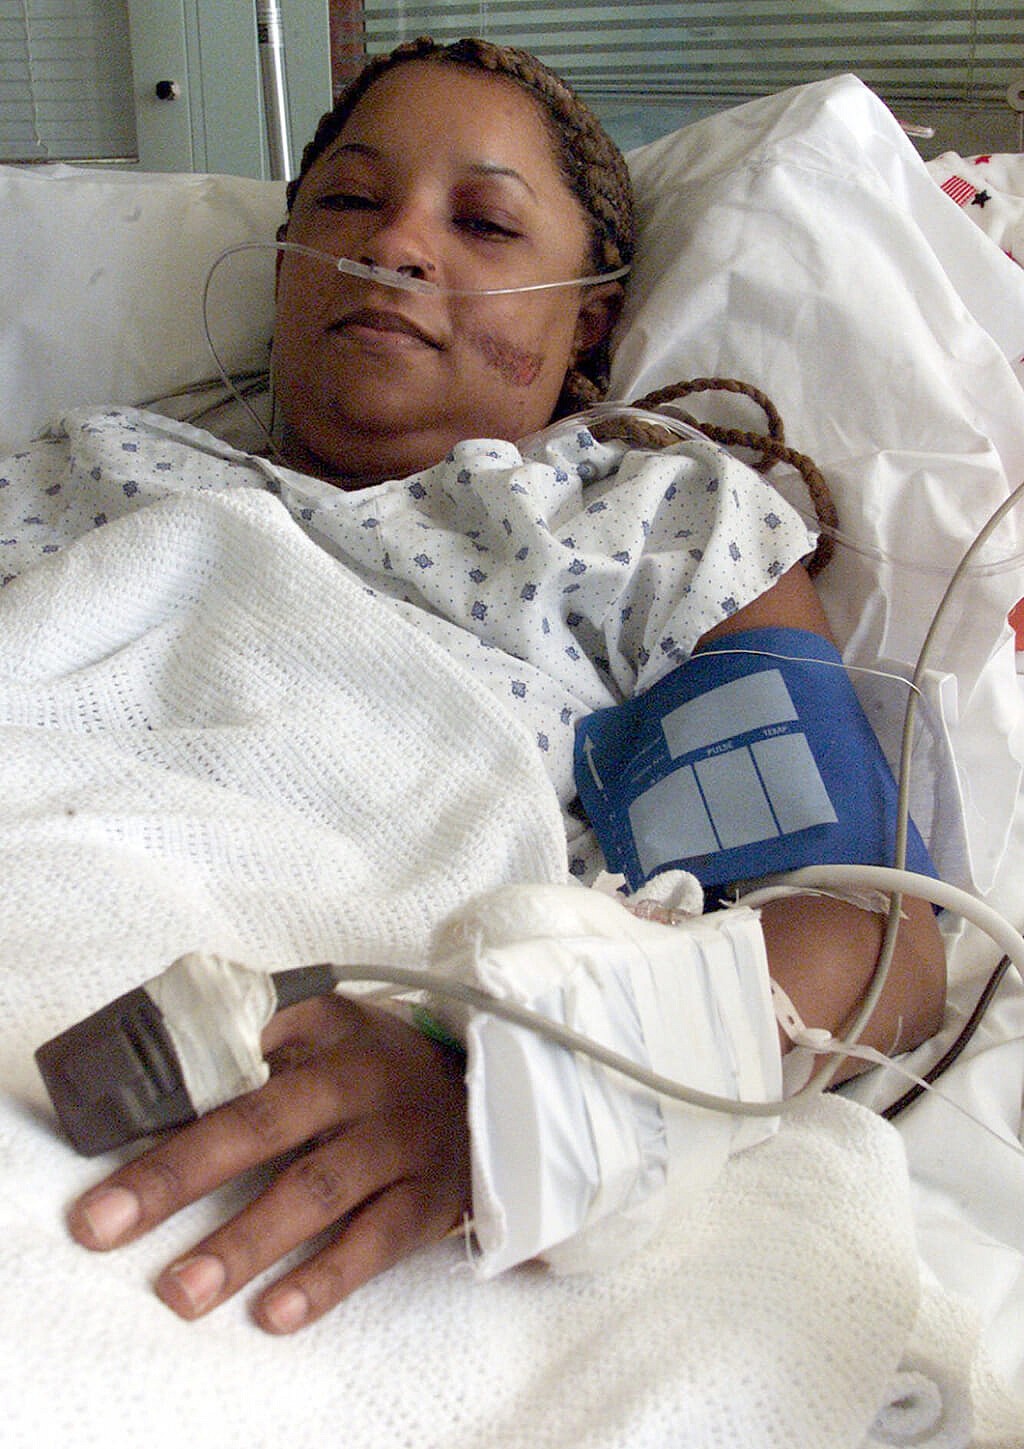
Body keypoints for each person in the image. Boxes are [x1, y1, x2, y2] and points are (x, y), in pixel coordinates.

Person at [63, 36, 946, 1336]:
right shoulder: (83, 472)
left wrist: (502, 1087)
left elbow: (871, 935)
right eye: (350, 202)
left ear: (588, 317)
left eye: (481, 221)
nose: (397, 245)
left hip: (340, 1063)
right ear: (287, 257)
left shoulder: (647, 525)